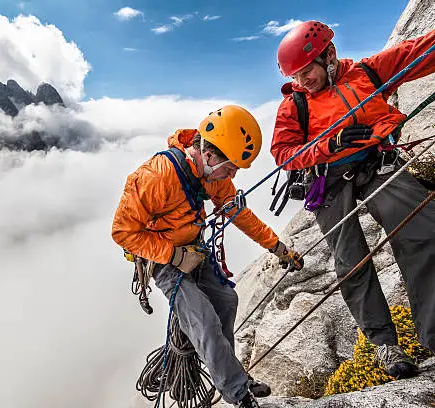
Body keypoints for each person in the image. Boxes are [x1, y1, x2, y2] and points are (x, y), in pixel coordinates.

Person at [271, 21, 435, 379]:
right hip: (328, 182)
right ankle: (384, 344)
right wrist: (330, 144)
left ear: (329, 55)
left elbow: (418, 52)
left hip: (376, 164)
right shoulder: (294, 105)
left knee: (424, 228)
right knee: (351, 260)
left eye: (307, 71)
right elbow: (283, 154)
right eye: (295, 75)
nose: (302, 81)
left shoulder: (367, 73)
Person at [112, 105, 304, 407]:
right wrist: (174, 257)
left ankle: (230, 372)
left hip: (194, 248)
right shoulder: (155, 177)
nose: (233, 175)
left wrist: (277, 247)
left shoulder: (213, 174)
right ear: (210, 155)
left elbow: (237, 213)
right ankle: (239, 393)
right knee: (204, 321)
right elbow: (123, 232)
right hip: (163, 260)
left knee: (227, 302)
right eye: (231, 168)